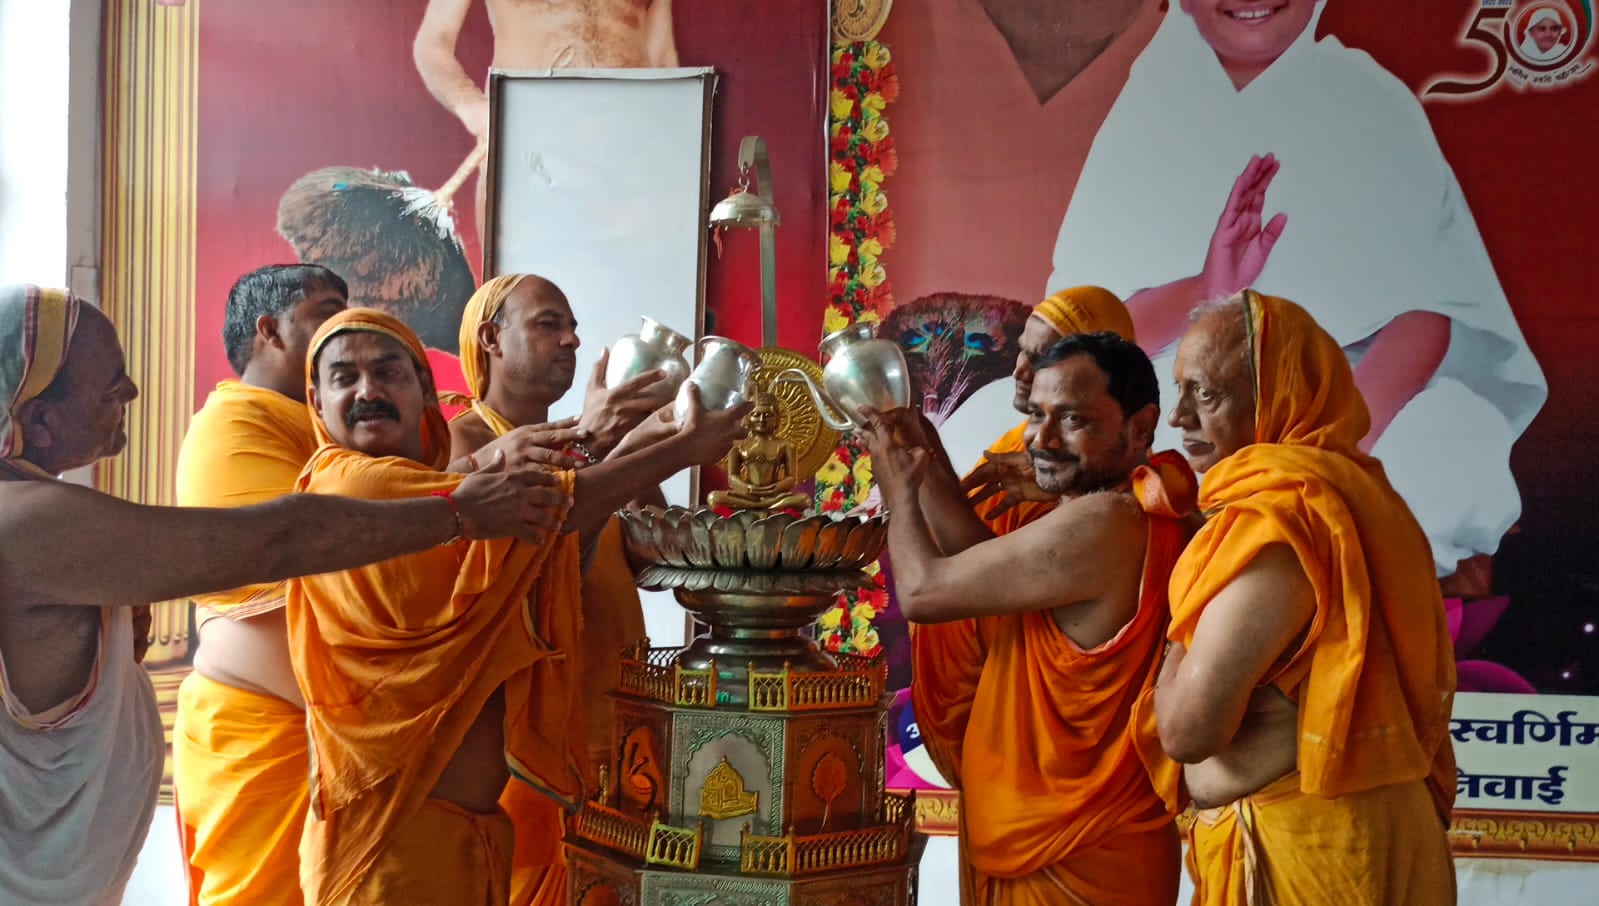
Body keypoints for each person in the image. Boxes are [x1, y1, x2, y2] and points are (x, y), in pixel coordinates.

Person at [0, 284, 569, 906]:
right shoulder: (27, 522)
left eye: (388, 371)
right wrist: (459, 509)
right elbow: (279, 542)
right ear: (42, 421)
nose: (132, 393)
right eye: (111, 386)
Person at [1046, 0, 1547, 578]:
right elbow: (1096, 334)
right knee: (994, 425)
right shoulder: (1147, 106)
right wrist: (1208, 286)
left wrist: (1322, 450)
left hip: (1350, 402)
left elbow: (1425, 317)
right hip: (1177, 395)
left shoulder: (1372, 101)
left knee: (1450, 442)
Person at [290, 308, 745, 905]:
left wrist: (644, 435)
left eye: (387, 372)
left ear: (424, 388)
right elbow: (546, 509)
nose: (367, 390)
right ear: (316, 403)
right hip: (388, 843)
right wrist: (678, 446)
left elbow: (548, 531)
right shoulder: (352, 484)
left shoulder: (439, 488)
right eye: (344, 378)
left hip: (474, 833)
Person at [860, 331, 1195, 905]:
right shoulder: (1130, 509)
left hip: (1076, 853)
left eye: (1073, 419)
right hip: (1053, 841)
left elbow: (923, 591)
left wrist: (899, 491)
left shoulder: (1108, 523)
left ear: (1140, 427)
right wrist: (924, 454)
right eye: (1038, 414)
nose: (1042, 438)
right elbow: (983, 565)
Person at [1147, 291, 1456, 904]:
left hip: (1316, 854)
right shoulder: (1362, 497)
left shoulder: (1283, 520)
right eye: (1179, 390)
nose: (1179, 417)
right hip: (1351, 838)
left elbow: (1186, 730)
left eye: (1205, 393)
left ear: (1275, 396)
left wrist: (1180, 619)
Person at [447, 273, 678, 906]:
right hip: (524, 745)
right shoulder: (467, 444)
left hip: (617, 726)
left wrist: (638, 446)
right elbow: (512, 581)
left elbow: (659, 558)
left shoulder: (588, 440)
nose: (572, 340)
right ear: (492, 339)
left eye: (573, 327)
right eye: (548, 324)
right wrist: (597, 449)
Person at [413, 0, 679, 241]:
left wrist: (670, 165)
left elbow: (662, 59)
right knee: (524, 280)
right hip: (528, 158)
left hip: (629, 163)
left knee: (638, 277)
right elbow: (433, 42)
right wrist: (476, 111)